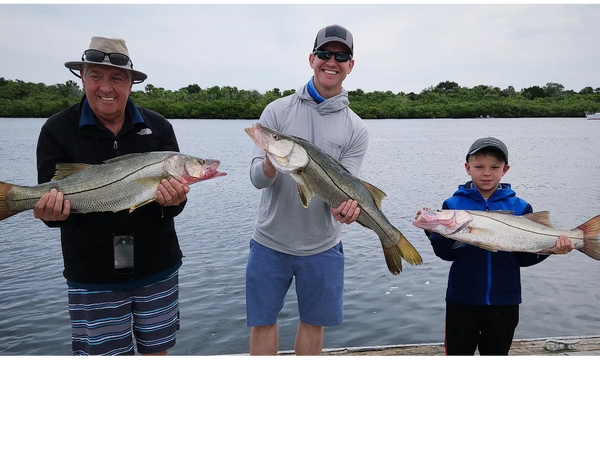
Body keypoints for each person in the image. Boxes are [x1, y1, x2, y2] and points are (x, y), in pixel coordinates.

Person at [34, 36, 190, 359]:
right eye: (96, 76)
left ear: (131, 83)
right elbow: (50, 211)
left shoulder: (159, 128)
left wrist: (176, 200)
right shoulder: (56, 130)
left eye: (117, 78)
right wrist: (49, 212)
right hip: (92, 276)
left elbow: (176, 206)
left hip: (156, 268)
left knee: (156, 353)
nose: (106, 87)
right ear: (83, 79)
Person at [246, 24, 369, 359]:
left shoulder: (356, 128)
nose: (332, 61)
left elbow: (348, 187)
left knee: (314, 324)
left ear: (350, 65)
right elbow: (257, 179)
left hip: (323, 245)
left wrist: (345, 209)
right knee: (262, 322)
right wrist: (272, 163)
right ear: (311, 59)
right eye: (325, 54)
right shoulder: (277, 111)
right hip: (270, 241)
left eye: (341, 56)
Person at [420, 137, 575, 359]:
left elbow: (524, 259)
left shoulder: (520, 207)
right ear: (468, 168)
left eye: (494, 167)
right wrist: (433, 232)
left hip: (506, 300)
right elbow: (447, 254)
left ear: (505, 169)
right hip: (462, 299)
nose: (486, 173)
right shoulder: (453, 206)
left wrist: (551, 249)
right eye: (479, 166)